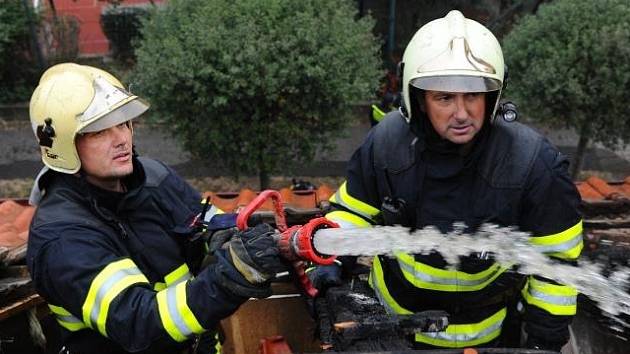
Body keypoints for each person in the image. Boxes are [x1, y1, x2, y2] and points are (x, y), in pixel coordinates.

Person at [320, 10, 583, 351]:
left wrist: (543, 342)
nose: (461, 113)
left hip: (492, 339)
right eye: (444, 97)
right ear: (418, 99)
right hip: (395, 336)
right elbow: (352, 212)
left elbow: (557, 262)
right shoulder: (386, 146)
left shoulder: (532, 164)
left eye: (472, 95)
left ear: (493, 96)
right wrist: (330, 270)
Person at [26, 63, 288, 354]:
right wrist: (229, 278)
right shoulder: (62, 237)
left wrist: (228, 237)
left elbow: (206, 223)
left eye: (124, 122)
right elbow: (138, 321)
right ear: (63, 146)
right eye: (100, 131)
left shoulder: (154, 177)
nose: (122, 138)